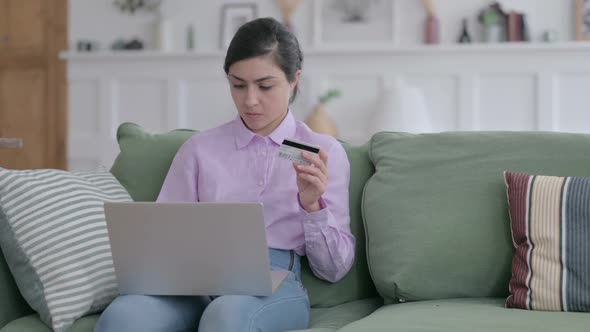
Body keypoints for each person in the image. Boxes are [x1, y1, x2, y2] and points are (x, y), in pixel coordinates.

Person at [95, 17, 355, 332]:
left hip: (273, 281)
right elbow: (163, 241)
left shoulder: (320, 152)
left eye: (265, 85)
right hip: (192, 282)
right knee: (122, 316)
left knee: (227, 316)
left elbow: (334, 270)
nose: (250, 100)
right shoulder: (199, 150)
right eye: (238, 84)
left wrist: (313, 207)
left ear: (294, 80)